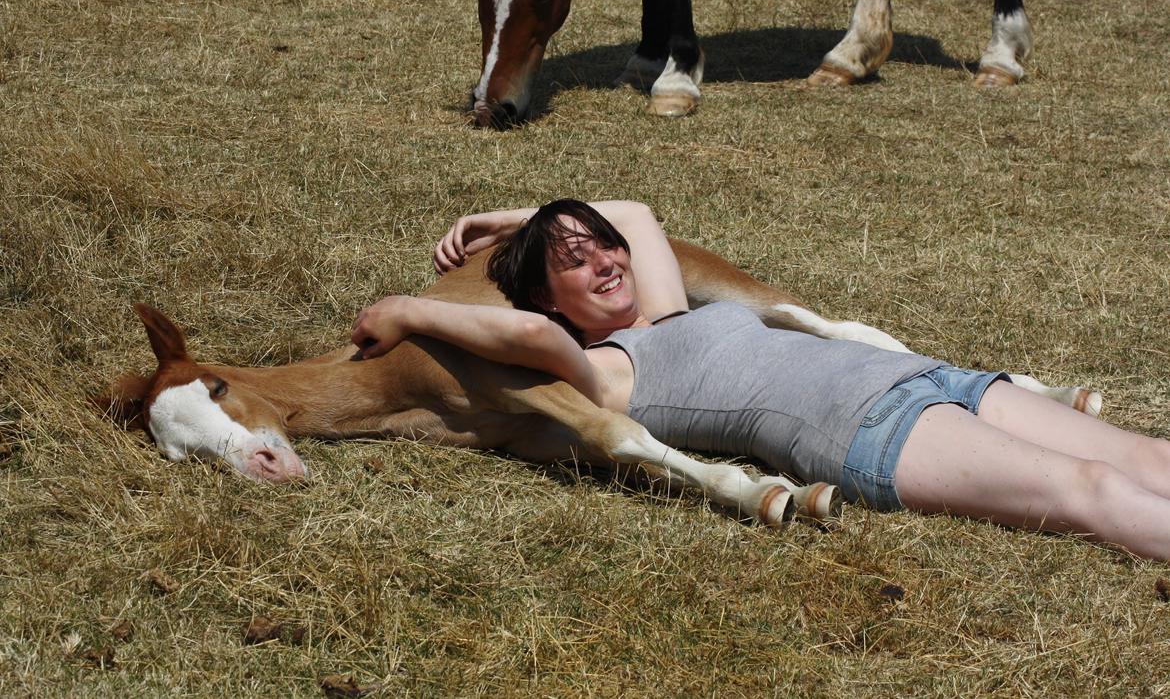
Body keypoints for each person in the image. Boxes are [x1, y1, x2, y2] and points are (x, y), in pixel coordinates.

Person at [351, 199, 1170, 561]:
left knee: (1140, 456)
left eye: (602, 251)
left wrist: (522, 219)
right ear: (545, 295)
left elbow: (633, 213)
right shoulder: (602, 373)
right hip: (867, 432)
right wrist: (408, 307)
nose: (604, 259)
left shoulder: (665, 312)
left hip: (926, 376)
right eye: (574, 260)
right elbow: (524, 333)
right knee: (1090, 489)